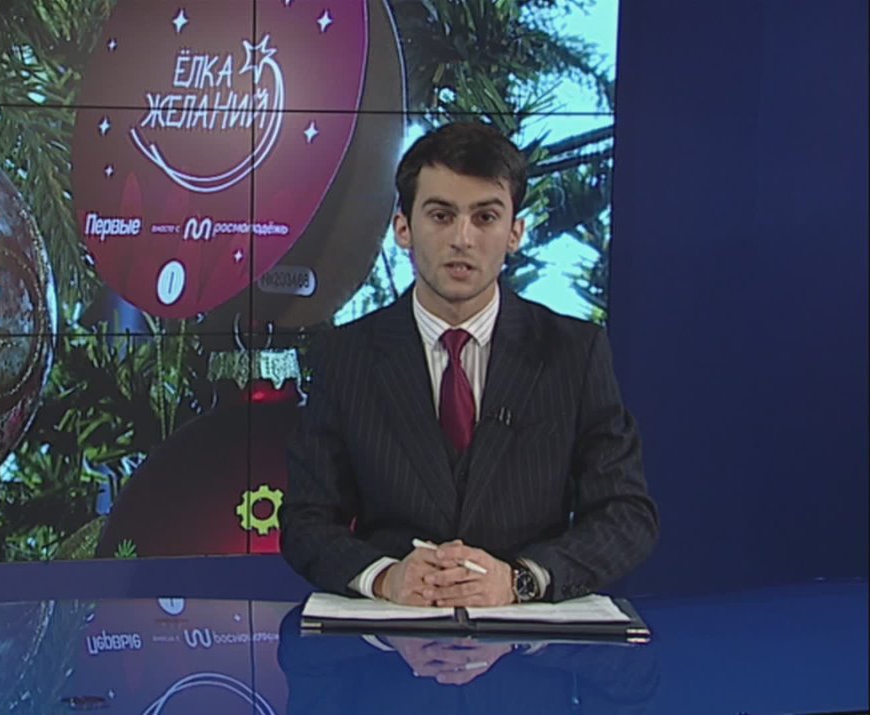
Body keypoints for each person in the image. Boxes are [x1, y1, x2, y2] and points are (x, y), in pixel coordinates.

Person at [279, 122, 658, 606]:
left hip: (528, 641)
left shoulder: (573, 353)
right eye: (441, 215)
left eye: (485, 217)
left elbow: (626, 515)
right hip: (391, 636)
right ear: (403, 228)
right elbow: (305, 519)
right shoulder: (344, 356)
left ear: (515, 232)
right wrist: (386, 578)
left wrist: (520, 580)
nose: (462, 238)